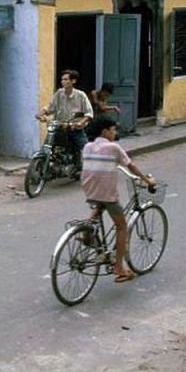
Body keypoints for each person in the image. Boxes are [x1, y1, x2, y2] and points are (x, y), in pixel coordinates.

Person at [80, 116, 155, 284]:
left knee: (99, 205)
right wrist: (146, 180)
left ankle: (87, 232)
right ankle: (119, 268)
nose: (115, 133)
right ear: (105, 131)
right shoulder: (113, 148)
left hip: (90, 190)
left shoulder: (87, 146)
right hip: (107, 194)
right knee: (122, 227)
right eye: (113, 130)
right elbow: (131, 166)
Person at [37, 69, 93, 172]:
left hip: (74, 128)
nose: (63, 81)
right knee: (46, 147)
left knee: (87, 148)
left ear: (73, 81)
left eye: (66, 79)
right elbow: (50, 107)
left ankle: (91, 171)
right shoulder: (59, 93)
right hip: (59, 127)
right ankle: (40, 169)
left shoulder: (81, 95)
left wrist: (81, 122)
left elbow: (89, 113)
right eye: (62, 79)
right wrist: (41, 114)